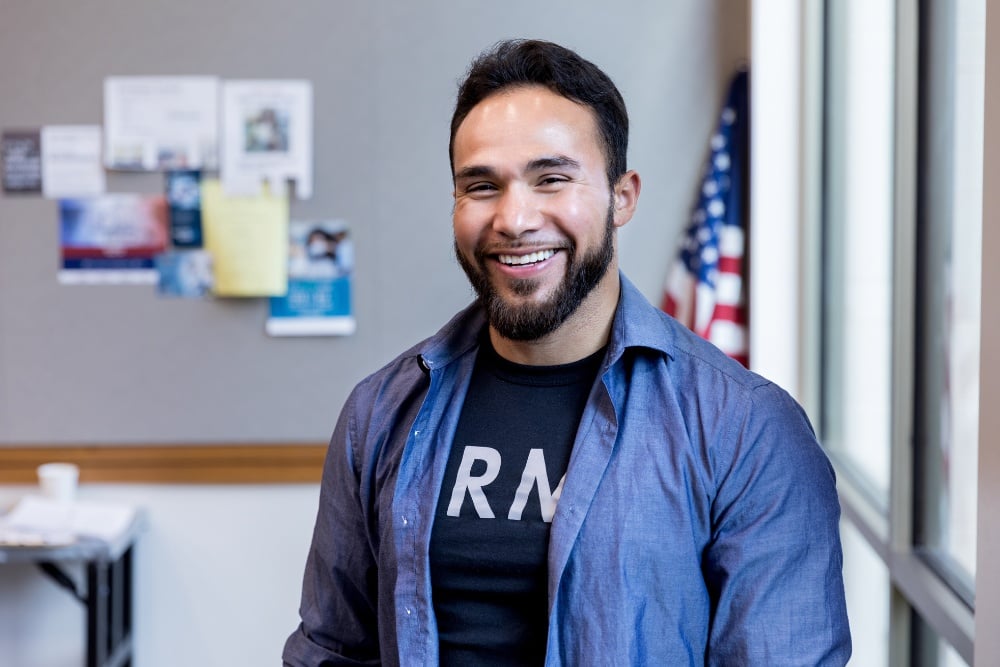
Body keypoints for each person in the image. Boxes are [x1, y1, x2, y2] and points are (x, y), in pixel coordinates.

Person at [283, 39, 851, 666]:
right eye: (481, 185)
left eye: (551, 178)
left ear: (622, 196)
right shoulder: (379, 414)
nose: (514, 218)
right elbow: (331, 651)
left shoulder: (746, 430)